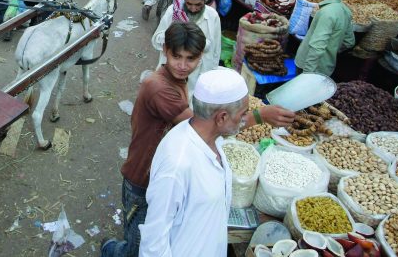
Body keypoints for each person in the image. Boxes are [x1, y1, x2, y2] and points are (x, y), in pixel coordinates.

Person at [101, 22, 294, 257]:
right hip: (143, 176)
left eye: (190, 59)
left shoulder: (176, 81)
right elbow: (205, 123)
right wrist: (259, 115)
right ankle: (111, 250)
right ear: (164, 51)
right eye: (177, 57)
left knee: (143, 236)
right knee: (138, 245)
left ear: (200, 56)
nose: (183, 66)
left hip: (154, 174)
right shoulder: (159, 89)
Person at [139, 68, 251, 256]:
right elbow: (153, 243)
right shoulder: (177, 164)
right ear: (222, 117)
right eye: (243, 114)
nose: (245, 120)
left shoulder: (212, 140)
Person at [295, 0, 355, 76]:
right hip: (326, 68)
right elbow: (349, 41)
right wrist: (331, 50)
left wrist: (307, 75)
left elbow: (317, 47)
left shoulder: (326, 13)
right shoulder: (345, 10)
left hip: (309, 68)